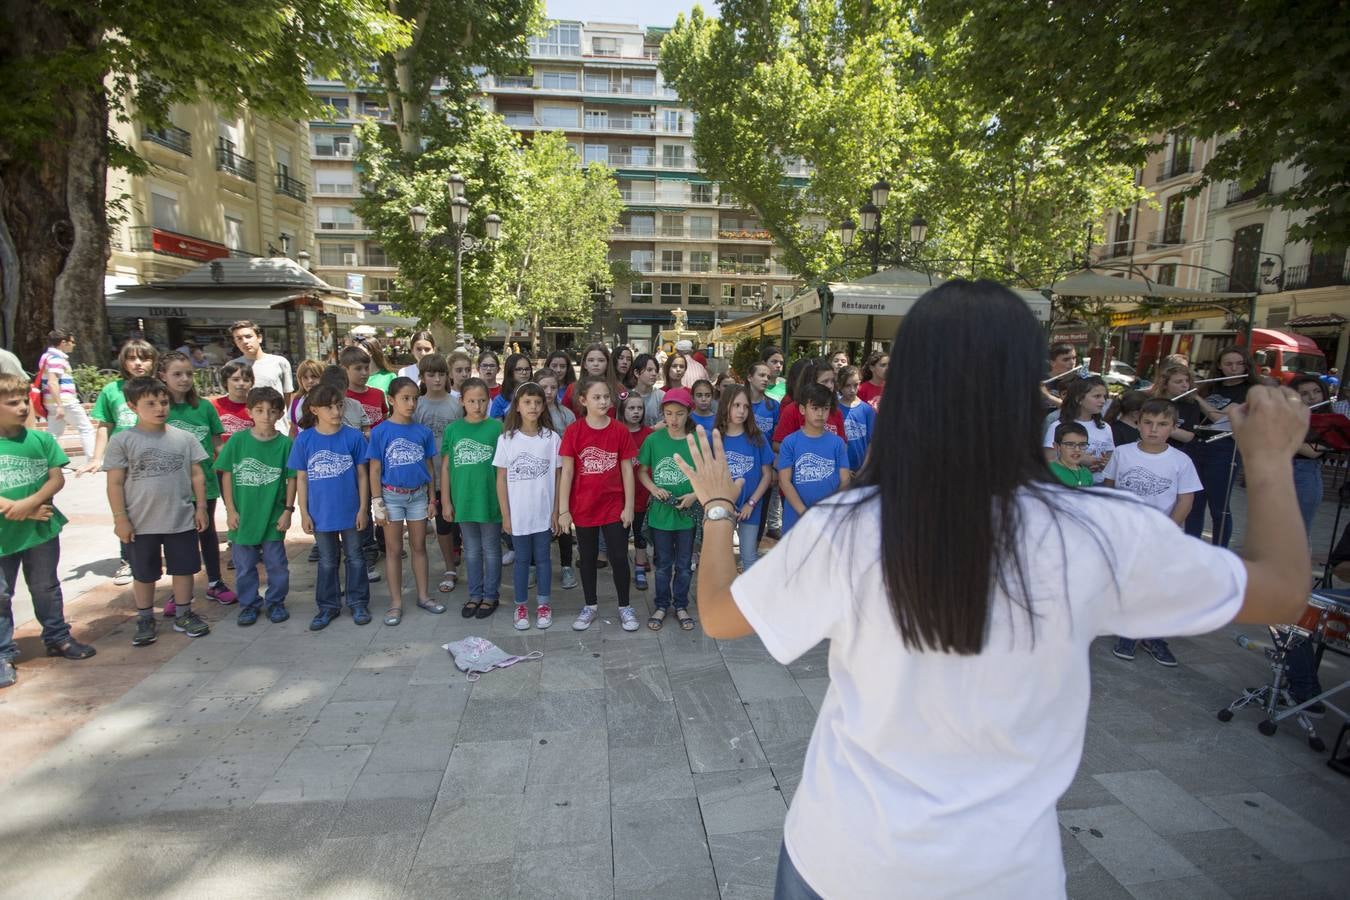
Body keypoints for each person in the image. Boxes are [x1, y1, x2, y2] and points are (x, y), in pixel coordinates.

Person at [673, 278, 1312, 900]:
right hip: (1003, 874)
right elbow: (1282, 593)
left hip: (842, 853)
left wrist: (719, 507)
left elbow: (722, 617)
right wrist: (1269, 459)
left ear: (909, 388)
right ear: (1027, 388)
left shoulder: (848, 527)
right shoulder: (1096, 531)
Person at [0, 373, 95, 688]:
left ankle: (57, 637)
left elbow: (56, 478)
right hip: (5, 535)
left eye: (24, 400)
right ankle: (3, 653)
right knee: (2, 594)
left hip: (40, 529)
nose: (22, 407)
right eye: (12, 402)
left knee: (46, 586)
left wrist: (29, 504)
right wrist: (18, 509)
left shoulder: (41, 440)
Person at [104, 376, 211, 646]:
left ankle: (184, 613)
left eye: (163, 402)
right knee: (144, 572)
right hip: (141, 523)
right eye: (150, 403)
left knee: (184, 568)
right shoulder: (122, 441)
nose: (159, 408)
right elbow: (115, 482)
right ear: (132, 406)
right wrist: (120, 518)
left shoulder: (184, 439)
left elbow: (197, 475)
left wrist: (201, 507)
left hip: (180, 519)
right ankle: (145, 617)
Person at [1104, 398, 1203, 666]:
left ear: (1173, 427)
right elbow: (1110, 486)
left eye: (1162, 424)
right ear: (1138, 423)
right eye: (1148, 423)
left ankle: (1153, 635)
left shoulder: (1181, 461)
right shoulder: (1122, 453)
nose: (1153, 429)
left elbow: (1186, 500)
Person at [558, 375, 638, 632]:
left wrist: (628, 507)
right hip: (583, 506)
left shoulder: (619, 430)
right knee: (588, 558)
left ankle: (625, 606)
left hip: (614, 506)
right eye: (596, 397)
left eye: (606, 396)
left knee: (618, 556)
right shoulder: (574, 431)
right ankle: (590, 605)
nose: (603, 401)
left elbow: (627, 471)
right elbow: (567, 472)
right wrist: (563, 510)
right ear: (583, 400)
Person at [78, 338, 159, 587]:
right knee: (125, 510)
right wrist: (95, 458)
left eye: (143, 358)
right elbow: (105, 426)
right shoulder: (112, 390)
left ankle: (154, 557)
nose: (138, 363)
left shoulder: (159, 387)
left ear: (153, 361)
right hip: (124, 462)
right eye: (132, 358)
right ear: (123, 361)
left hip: (154, 460)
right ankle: (128, 560)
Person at [291, 384, 372, 630]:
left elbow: (362, 475)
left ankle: (358, 602)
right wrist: (303, 512)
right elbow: (301, 479)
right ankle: (327, 606)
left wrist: (362, 509)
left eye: (339, 405)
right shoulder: (305, 439)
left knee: (356, 558)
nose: (336, 411)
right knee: (327, 560)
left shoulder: (353, 437)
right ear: (315, 409)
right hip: (320, 513)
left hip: (350, 511)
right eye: (329, 407)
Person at [159, 351, 236, 611]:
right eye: (177, 374)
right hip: (171, 486)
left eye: (189, 374)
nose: (184, 379)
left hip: (205, 482)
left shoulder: (204, 407)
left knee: (207, 533)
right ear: (163, 377)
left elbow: (217, 444)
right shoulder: (160, 409)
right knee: (179, 539)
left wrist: (230, 471)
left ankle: (215, 582)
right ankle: (180, 591)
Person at [217, 387, 296, 626]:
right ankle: (249, 604)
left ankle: (275, 602)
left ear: (280, 414)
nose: (266, 416)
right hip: (243, 518)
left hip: (273, 517)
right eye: (260, 410)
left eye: (272, 411)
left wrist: (288, 510)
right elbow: (227, 474)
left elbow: (292, 478)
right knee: (244, 568)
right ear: (249, 411)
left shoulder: (285, 444)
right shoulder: (238, 442)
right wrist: (230, 509)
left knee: (277, 566)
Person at [369, 377, 442, 626]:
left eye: (414, 398)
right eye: (405, 398)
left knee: (419, 546)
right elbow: (375, 469)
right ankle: (396, 602)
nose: (411, 404)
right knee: (393, 549)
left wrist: (433, 498)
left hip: (419, 495)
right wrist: (377, 502)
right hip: (391, 496)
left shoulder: (423, 431)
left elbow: (430, 467)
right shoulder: (380, 431)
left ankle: (423, 595)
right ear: (392, 400)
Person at [494, 382, 562, 631]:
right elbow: (501, 479)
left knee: (543, 560)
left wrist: (556, 511)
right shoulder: (507, 439)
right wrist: (506, 515)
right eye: (527, 402)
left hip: (543, 513)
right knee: (522, 560)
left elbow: (558, 476)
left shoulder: (551, 438)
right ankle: (521, 605)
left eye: (537, 402)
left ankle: (544, 604)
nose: (532, 406)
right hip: (519, 513)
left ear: (544, 406)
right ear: (518, 407)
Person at [1188, 346, 1266, 546]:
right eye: (1228, 364)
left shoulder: (1250, 392)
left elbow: (1217, 418)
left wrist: (1196, 397)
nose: (1234, 368)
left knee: (1218, 506)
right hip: (1198, 447)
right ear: (1220, 367)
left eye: (1239, 364)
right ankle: (1191, 551)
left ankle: (1220, 554)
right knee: (1194, 504)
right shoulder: (1211, 387)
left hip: (1224, 451)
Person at [441, 378, 503, 620]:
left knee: (491, 549)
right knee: (471, 550)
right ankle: (474, 594)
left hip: (490, 500)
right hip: (464, 501)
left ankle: (490, 595)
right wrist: (446, 501)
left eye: (482, 400)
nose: (477, 406)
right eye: (471, 401)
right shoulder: (453, 430)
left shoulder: (497, 428)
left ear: (489, 400)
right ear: (462, 401)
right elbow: (446, 468)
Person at [637, 388, 698, 630]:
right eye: (669, 413)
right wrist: (653, 488)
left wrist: (695, 494)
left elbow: (705, 475)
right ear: (662, 413)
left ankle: (681, 604)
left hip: (686, 515)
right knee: (662, 564)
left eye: (679, 414)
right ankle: (662, 604)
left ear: (688, 413)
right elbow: (642, 471)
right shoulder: (653, 440)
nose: (674, 419)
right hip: (660, 515)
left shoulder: (695, 442)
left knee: (684, 564)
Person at [415, 353, 464, 593]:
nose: (437, 379)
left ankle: (467, 554)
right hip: (429, 475)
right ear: (422, 377)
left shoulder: (456, 404)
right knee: (442, 524)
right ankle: (449, 567)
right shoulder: (417, 405)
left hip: (457, 473)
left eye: (441, 374)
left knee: (462, 520)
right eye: (431, 374)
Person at [777, 381, 851, 536]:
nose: (820, 414)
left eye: (825, 409)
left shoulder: (837, 443)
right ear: (803, 409)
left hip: (829, 520)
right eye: (815, 408)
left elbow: (845, 480)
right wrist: (805, 513)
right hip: (796, 520)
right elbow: (784, 481)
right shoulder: (790, 442)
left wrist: (828, 508)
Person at [714, 384, 773, 570]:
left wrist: (752, 503)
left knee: (749, 557)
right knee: (722, 559)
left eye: (746, 406)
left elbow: (767, 475)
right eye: (736, 405)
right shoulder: (715, 438)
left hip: (751, 507)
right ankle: (724, 597)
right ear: (725, 406)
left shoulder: (757, 438)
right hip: (724, 507)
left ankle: (748, 598)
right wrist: (725, 504)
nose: (741, 411)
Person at [536, 368, 578, 590]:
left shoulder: (566, 415)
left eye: (553, 387)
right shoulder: (531, 412)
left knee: (563, 520)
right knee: (538, 521)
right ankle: (535, 564)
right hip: (537, 477)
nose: (549, 391)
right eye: (544, 387)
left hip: (562, 475)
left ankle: (566, 565)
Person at [1042, 376, 1114, 484]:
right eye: (1097, 396)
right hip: (1067, 483)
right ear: (1079, 399)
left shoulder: (1105, 427)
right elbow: (1049, 459)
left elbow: (1110, 456)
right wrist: (1080, 460)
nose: (1103, 401)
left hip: (1098, 483)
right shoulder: (1058, 426)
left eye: (1105, 396)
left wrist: (1103, 464)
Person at [39, 330, 96, 460]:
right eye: (72, 342)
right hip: (65, 401)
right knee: (86, 428)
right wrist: (60, 405)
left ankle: (51, 463)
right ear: (63, 342)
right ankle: (92, 460)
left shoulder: (46, 357)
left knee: (54, 433)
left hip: (50, 401)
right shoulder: (56, 358)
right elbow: (53, 382)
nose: (73, 345)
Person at [619, 393, 653, 590]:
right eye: (631, 408)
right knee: (621, 536)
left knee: (640, 535)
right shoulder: (617, 431)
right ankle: (622, 568)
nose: (636, 412)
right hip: (621, 495)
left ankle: (640, 567)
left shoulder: (649, 434)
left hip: (643, 493)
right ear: (623, 410)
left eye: (639, 408)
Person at [773, 359, 846, 445]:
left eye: (832, 381)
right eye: (825, 381)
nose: (830, 386)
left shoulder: (836, 412)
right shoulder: (792, 410)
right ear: (811, 383)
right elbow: (777, 444)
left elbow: (843, 445)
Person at [1289, 376, 1329, 531]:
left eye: (1317, 391)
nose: (1312, 397)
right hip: (1278, 472)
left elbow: (1312, 452)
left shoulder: (1331, 421)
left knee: (1298, 532)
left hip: (1304, 476)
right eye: (1304, 394)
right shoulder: (1289, 417)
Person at [229, 320, 294, 400]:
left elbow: (287, 393)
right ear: (235, 342)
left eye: (248, 337)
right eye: (239, 339)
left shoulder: (280, 362)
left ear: (259, 338)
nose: (244, 341)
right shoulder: (231, 366)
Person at [837, 365, 876, 472]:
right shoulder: (834, 410)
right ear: (839, 386)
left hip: (861, 469)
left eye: (856, 385)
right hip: (840, 469)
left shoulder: (867, 410)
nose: (852, 390)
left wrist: (864, 470)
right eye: (847, 386)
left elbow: (871, 444)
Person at [341, 345, 389, 429]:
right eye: (358, 368)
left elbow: (385, 418)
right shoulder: (341, 397)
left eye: (367, 368)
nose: (364, 372)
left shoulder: (378, 394)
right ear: (345, 370)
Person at [563, 344, 618, 414]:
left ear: (607, 364)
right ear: (585, 364)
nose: (596, 364)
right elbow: (564, 415)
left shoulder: (618, 388)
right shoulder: (572, 388)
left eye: (601, 360)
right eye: (591, 360)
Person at [213, 360, 256, 437]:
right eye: (235, 379)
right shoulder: (213, 406)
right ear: (225, 382)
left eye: (246, 380)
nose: (241, 383)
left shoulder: (257, 407)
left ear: (252, 383)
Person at [1048, 422, 1094, 487]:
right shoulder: (1049, 471)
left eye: (1082, 444)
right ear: (1057, 446)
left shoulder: (1086, 473)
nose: (1077, 449)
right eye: (1070, 444)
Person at [489, 353, 533, 420]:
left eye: (527, 369)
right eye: (519, 369)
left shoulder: (537, 395)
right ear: (510, 371)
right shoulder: (500, 400)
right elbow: (497, 428)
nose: (524, 372)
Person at [1041, 342, 1078, 410]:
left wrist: (1047, 396)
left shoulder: (1078, 381)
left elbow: (1074, 409)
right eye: (1066, 359)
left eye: (1074, 358)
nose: (1072, 363)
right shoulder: (1040, 379)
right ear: (1052, 363)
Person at [631, 353, 665, 427]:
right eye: (649, 370)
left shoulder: (662, 396)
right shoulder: (628, 397)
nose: (654, 374)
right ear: (636, 373)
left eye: (656, 371)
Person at [290, 359, 325, 428]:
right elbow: (293, 428)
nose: (310, 381)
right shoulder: (297, 401)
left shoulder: (330, 400)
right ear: (300, 380)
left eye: (314, 376)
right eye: (305, 377)